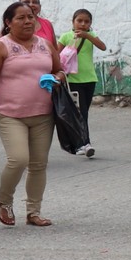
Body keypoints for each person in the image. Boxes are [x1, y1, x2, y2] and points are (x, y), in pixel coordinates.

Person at [0, 1, 63, 228]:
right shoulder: (0, 47)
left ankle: (34, 212)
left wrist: (57, 78)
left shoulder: (45, 45)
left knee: (38, 164)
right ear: (8, 22)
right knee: (19, 159)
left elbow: (59, 70)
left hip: (43, 114)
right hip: (10, 114)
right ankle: (5, 202)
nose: (28, 21)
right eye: (21, 18)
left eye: (30, 17)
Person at [57, 9, 105, 158]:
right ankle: (86, 143)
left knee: (83, 112)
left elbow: (102, 46)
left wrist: (87, 36)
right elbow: (56, 56)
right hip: (73, 80)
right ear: (73, 22)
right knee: (81, 112)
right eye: (79, 21)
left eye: (86, 21)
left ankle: (79, 144)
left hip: (89, 79)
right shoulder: (66, 36)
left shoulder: (91, 35)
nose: (83, 24)